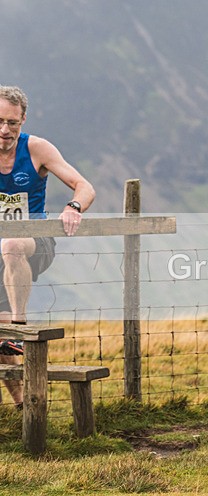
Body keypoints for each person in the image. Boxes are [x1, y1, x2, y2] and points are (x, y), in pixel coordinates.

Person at [0, 85, 95, 409]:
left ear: (23, 119)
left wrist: (73, 207)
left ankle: (20, 326)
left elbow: (84, 186)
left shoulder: (37, 149)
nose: (5, 130)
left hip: (35, 242)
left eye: (12, 122)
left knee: (13, 243)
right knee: (0, 339)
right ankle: (24, 405)